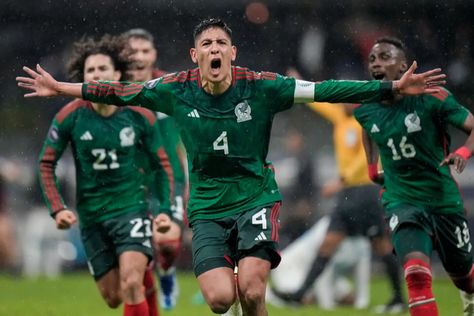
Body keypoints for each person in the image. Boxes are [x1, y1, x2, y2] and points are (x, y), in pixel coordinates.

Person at [17, 18, 445, 316]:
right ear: (194, 54)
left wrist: (388, 86)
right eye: (207, 44)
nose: (215, 49)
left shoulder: (260, 86)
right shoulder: (174, 89)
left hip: (255, 195)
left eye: (221, 43)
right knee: (222, 299)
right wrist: (60, 88)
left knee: (253, 288)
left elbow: (325, 90)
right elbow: (118, 90)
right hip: (205, 206)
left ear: (233, 51)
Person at [36, 34, 175, 316]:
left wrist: (163, 210)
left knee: (131, 282)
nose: (97, 75)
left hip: (131, 210)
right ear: (82, 77)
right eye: (91, 70)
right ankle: (145, 275)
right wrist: (58, 208)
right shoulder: (69, 116)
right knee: (114, 297)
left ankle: (140, 271)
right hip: (92, 216)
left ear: (117, 73)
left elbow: (163, 166)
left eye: (103, 69)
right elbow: (46, 163)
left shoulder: (139, 114)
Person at [353, 36, 474, 316]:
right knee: (416, 273)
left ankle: (468, 294)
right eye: (372, 59)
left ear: (404, 66)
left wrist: (464, 153)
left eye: (385, 57)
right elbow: (368, 129)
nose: (376, 63)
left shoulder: (431, 97)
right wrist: (373, 169)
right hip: (402, 200)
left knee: (464, 277)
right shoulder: (366, 108)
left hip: (442, 199)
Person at [271, 101, 406, 313]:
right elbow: (320, 102)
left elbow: (366, 158)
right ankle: (299, 294)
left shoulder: (364, 122)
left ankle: (399, 298)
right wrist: (300, 84)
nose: (343, 103)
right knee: (328, 243)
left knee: (381, 246)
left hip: (366, 191)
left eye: (348, 99)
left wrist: (341, 180)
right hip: (348, 195)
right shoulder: (340, 117)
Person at [122, 28, 187, 310]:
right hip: (131, 183)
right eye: (132, 52)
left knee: (167, 244)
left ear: (154, 55)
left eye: (145, 51)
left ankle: (168, 272)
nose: (139, 57)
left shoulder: (170, 87)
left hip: (169, 179)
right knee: (138, 255)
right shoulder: (114, 90)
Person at [267, 215, 372, 310]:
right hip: (292, 267)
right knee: (305, 300)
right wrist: (327, 304)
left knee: (349, 300)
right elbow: (320, 265)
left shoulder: (357, 228)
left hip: (323, 272)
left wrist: (362, 301)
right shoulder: (326, 227)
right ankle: (270, 295)